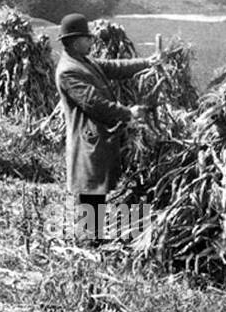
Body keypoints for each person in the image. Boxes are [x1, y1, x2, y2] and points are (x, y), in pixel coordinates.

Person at [54, 13, 157, 242]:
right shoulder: (68, 70)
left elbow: (114, 67)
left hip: (99, 137)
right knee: (91, 191)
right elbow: (94, 103)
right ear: (73, 41)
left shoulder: (84, 61)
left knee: (99, 188)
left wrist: (147, 63)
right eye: (87, 38)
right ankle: (88, 245)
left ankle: (96, 239)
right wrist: (127, 113)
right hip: (87, 139)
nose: (92, 42)